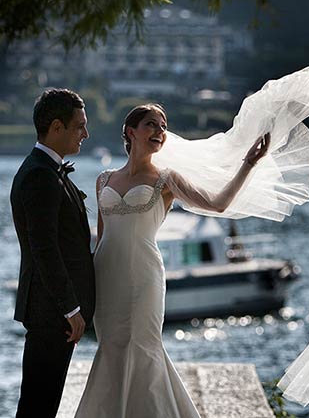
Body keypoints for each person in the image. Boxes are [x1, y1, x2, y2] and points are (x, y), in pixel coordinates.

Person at [74, 104, 270, 417]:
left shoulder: (167, 179)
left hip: (144, 276)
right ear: (131, 132)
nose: (159, 132)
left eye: (163, 127)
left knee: (143, 346)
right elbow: (100, 237)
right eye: (151, 125)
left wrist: (247, 165)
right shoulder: (103, 180)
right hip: (106, 276)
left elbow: (218, 204)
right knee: (111, 346)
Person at [10, 89, 95, 418]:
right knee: (37, 407)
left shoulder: (47, 170)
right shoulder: (40, 176)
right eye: (79, 126)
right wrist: (70, 308)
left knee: (41, 404)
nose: (85, 134)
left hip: (52, 312)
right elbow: (43, 248)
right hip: (51, 313)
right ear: (56, 127)